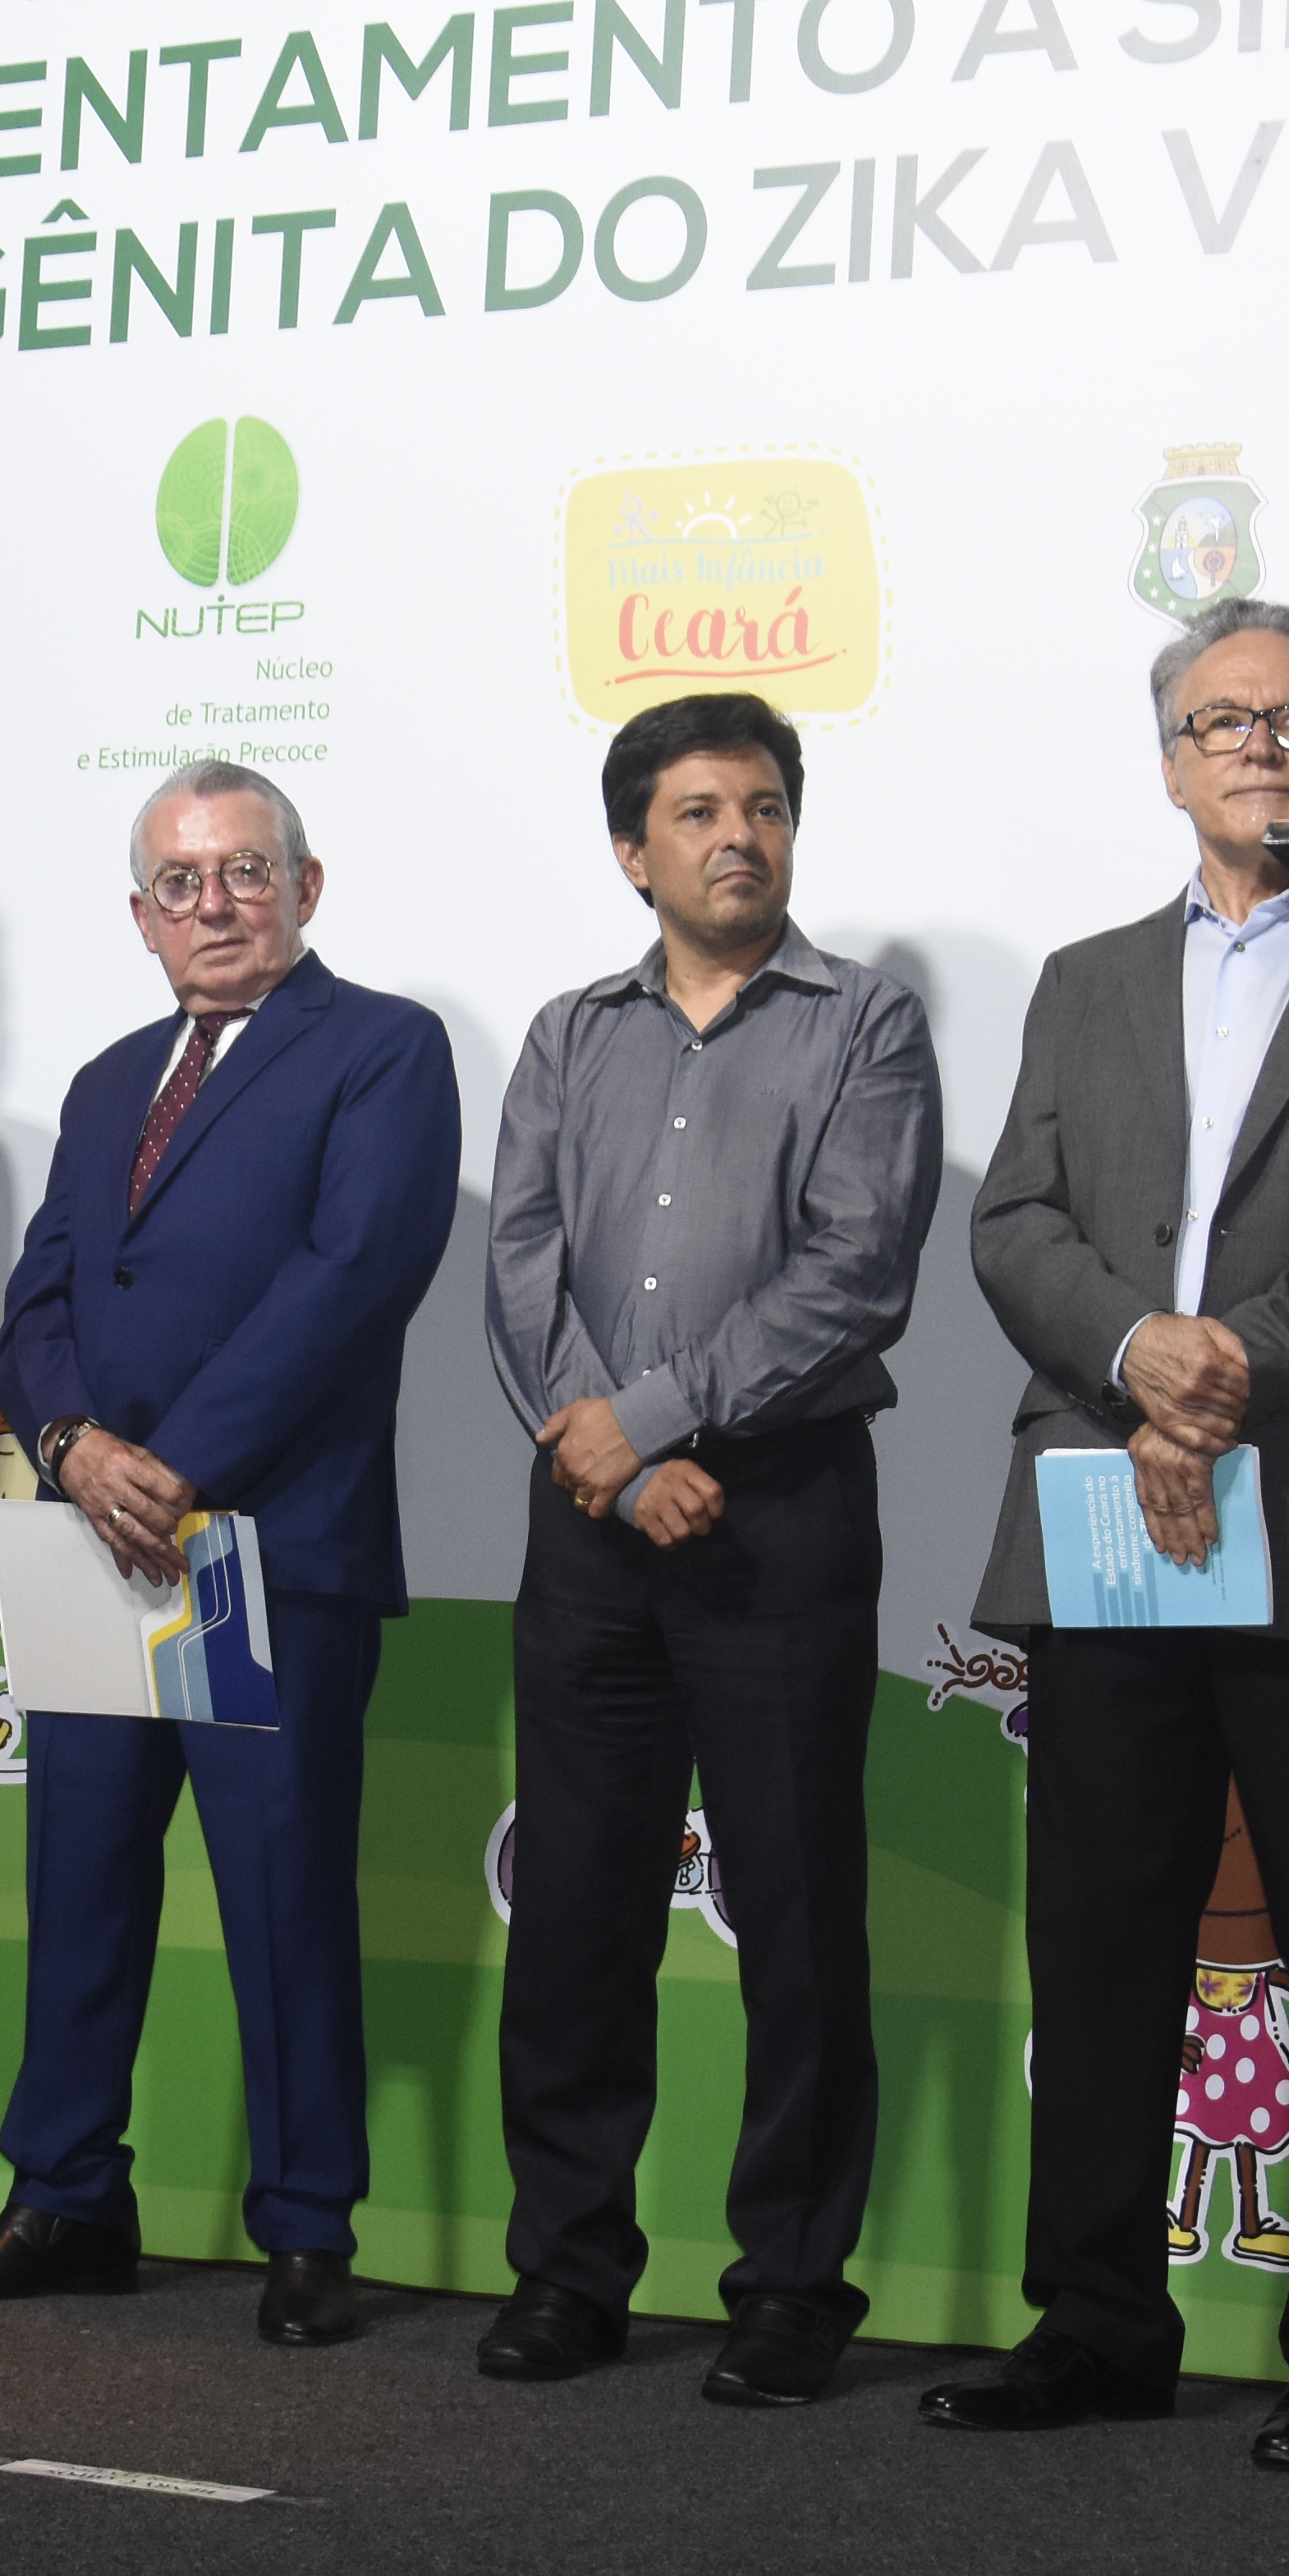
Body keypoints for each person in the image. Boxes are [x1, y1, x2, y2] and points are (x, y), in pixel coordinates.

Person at [924, 600, 1289, 2467]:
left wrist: (1224, 1371)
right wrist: (1137, 1358)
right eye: (1224, 719)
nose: (1262, 745)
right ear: (1171, 757)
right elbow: (1016, 1223)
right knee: (1103, 1940)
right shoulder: (1086, 978)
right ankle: (1096, 2321)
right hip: (1108, 1505)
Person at [0, 761, 459, 2345]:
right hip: (96, 1541)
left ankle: (308, 2231)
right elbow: (39, 1302)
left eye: (245, 872)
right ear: (141, 915)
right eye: (179, 883)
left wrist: (177, 1467)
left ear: (306, 887)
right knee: (78, 1886)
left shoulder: (385, 1050)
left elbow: (353, 1280)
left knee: (285, 1904)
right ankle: (66, 2196)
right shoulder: (106, 1083)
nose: (214, 906)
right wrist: (78, 1451)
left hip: (262, 1546)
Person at [474, 691, 942, 2405]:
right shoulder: (567, 1034)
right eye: (697, 810)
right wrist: (608, 1453)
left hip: (779, 1511)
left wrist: (655, 1421)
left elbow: (855, 1271)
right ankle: (567, 2269)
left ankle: (795, 2287)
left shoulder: (867, 1023)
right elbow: (520, 1264)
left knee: (795, 1910)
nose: (738, 835)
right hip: (592, 1521)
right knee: (575, 1910)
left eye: (764, 806)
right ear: (632, 851)